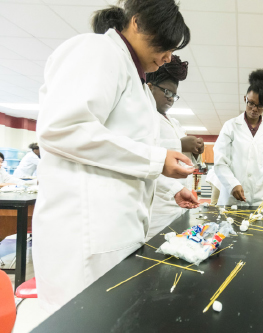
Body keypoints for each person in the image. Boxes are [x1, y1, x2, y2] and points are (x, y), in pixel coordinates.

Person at [33, 0, 195, 313]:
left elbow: (127, 159)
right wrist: (156, 160)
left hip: (117, 234)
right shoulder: (98, 51)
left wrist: (171, 187)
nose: (167, 57)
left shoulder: (139, 85)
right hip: (86, 239)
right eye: (165, 45)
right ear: (136, 23)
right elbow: (63, 129)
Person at [145, 55, 200, 239]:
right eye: (167, 92)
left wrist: (193, 149)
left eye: (174, 95)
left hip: (179, 201)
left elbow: (180, 159)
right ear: (150, 88)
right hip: (159, 206)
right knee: (156, 251)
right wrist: (182, 144)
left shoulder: (174, 122)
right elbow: (147, 161)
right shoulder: (146, 118)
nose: (171, 99)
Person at [214, 69, 263, 206]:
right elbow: (220, 162)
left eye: (260, 106)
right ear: (245, 98)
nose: (254, 109)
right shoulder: (231, 126)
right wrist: (232, 184)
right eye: (251, 103)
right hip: (231, 198)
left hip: (259, 198)